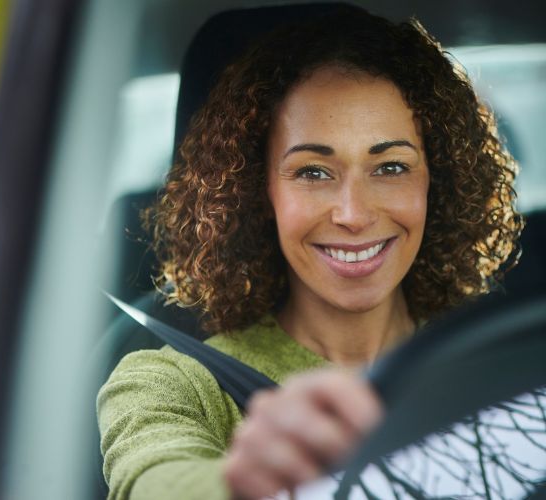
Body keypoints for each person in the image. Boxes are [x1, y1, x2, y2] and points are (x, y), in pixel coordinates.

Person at [97, 7, 522, 500]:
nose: (353, 214)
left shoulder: (504, 350)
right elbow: (154, 478)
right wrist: (250, 483)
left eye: (390, 167)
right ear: (259, 192)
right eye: (313, 172)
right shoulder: (171, 382)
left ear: (437, 181)